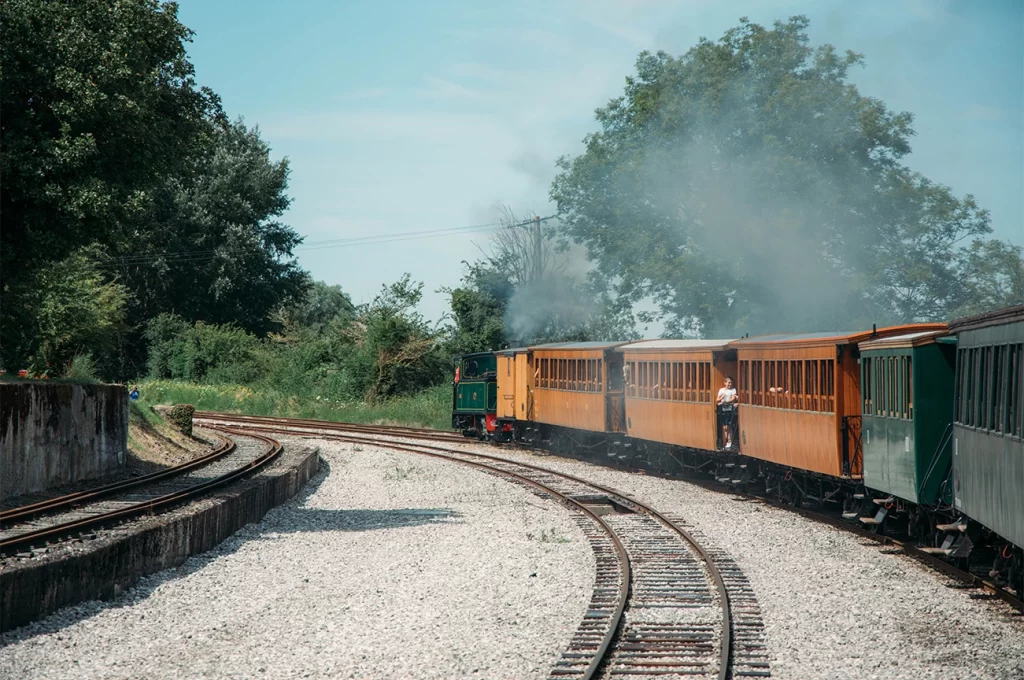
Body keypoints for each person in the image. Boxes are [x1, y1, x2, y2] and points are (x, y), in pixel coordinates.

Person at [716, 377, 738, 450]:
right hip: (723, 409)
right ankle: (726, 441)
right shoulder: (721, 390)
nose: (730, 384)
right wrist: (721, 398)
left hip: (730, 409)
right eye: (728, 382)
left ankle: (730, 441)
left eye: (731, 383)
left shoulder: (733, 390)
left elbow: (733, 398)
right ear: (725, 383)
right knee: (724, 426)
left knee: (729, 426)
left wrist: (725, 402)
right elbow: (717, 400)